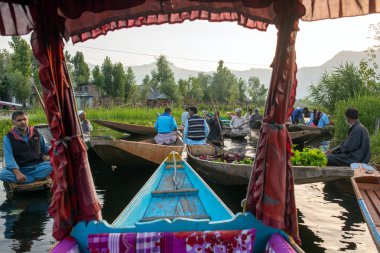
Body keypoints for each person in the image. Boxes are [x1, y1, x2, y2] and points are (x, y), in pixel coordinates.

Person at [0, 111, 52, 184]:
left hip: (38, 166)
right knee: (3, 175)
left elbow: (46, 149)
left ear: (28, 120)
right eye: (19, 120)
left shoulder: (36, 133)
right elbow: (9, 158)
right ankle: (34, 178)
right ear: (13, 122)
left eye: (25, 119)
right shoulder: (8, 138)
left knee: (52, 166)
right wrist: (17, 173)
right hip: (21, 168)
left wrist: (57, 151)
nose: (23, 122)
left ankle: (26, 179)